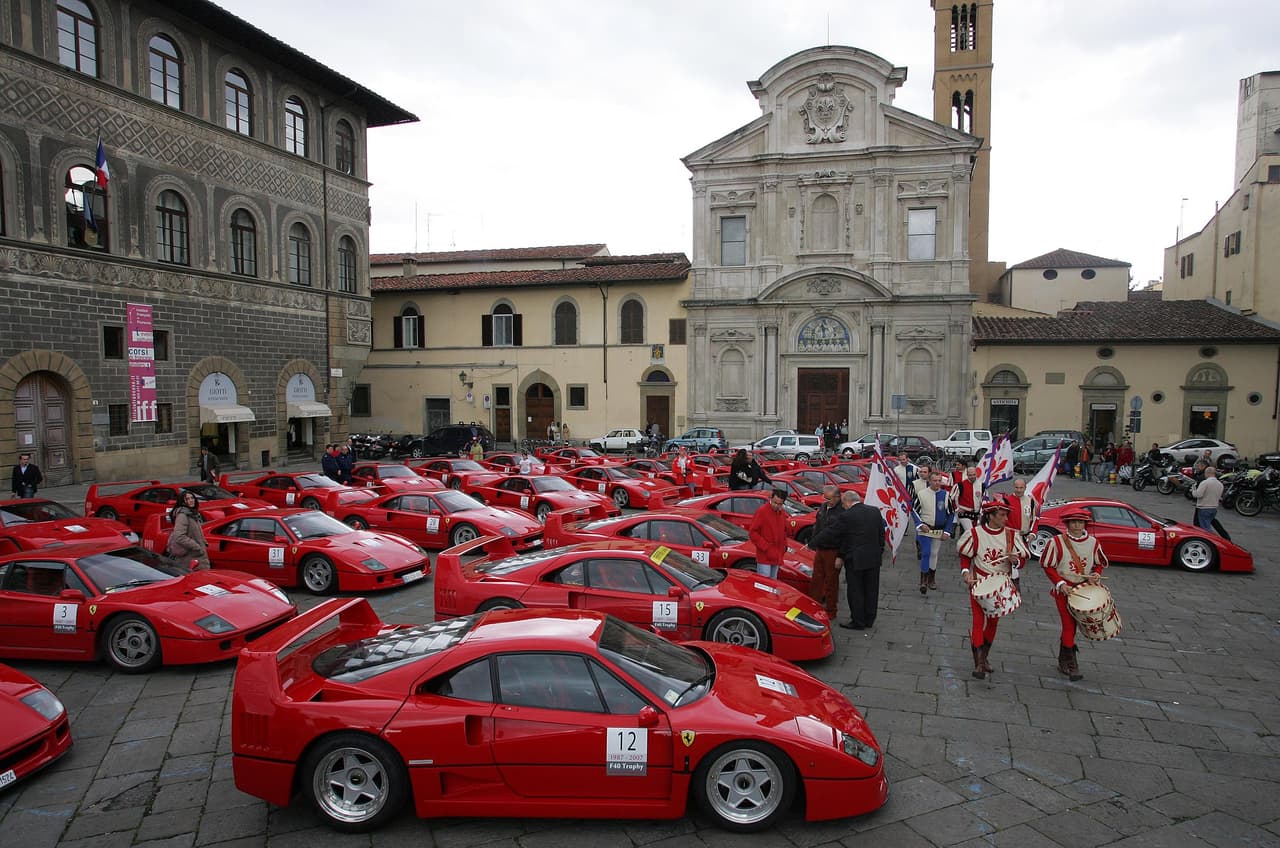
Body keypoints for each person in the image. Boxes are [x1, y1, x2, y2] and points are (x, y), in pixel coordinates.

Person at [957, 501, 1029, 679]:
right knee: (977, 621)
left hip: (1001, 585)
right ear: (990, 516)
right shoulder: (975, 533)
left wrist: (1015, 561)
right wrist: (966, 573)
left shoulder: (1012, 535)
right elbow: (965, 556)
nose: (1005, 518)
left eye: (1006, 515)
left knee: (993, 622)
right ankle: (979, 664)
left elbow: (1022, 560)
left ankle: (984, 657)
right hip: (979, 583)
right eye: (1001, 515)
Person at [1040, 508, 1108, 681]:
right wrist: (1060, 583)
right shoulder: (1057, 542)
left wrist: (1096, 574)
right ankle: (1072, 665)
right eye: (1073, 522)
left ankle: (1063, 659)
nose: (1077, 525)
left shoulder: (1093, 542)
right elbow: (1048, 566)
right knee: (1069, 625)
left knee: (1075, 626)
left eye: (1080, 522)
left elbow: (1099, 564)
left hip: (1084, 590)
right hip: (1064, 590)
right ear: (1067, 523)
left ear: (1085, 523)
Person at [812, 490, 885, 630]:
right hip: (873, 558)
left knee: (855, 590)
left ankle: (858, 620)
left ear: (846, 501)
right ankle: (869, 618)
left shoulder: (847, 515)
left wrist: (813, 542)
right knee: (871, 589)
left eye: (844, 504)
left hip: (855, 559)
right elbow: (881, 534)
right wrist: (879, 551)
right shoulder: (874, 511)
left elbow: (831, 531)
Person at [805, 484, 846, 618]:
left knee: (831, 581)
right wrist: (812, 542)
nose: (826, 501)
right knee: (816, 578)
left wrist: (840, 555)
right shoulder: (823, 507)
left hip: (833, 550)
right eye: (825, 498)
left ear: (838, 497)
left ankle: (830, 610)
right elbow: (817, 526)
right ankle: (813, 606)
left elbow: (845, 535)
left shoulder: (842, 511)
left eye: (829, 499)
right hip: (820, 548)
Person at [913, 471, 955, 594]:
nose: (937, 483)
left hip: (939, 529)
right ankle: (923, 581)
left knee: (934, 553)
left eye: (939, 480)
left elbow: (951, 513)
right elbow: (914, 511)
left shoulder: (946, 495)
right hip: (925, 529)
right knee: (926, 552)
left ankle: (931, 578)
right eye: (934, 480)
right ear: (929, 481)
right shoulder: (921, 494)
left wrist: (947, 531)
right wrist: (920, 524)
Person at [1001, 477, 1037, 588]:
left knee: (1021, 560)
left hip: (1024, 536)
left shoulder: (1030, 501)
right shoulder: (1006, 501)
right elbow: (1000, 519)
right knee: (1014, 560)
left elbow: (1035, 519)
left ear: (1025, 488)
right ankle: (1014, 586)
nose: (1019, 490)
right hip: (1010, 535)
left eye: (1021, 488)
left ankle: (1011, 583)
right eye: (1017, 487)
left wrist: (1032, 533)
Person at [747, 488, 789, 579]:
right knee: (765, 583)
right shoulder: (762, 511)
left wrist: (784, 546)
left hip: (776, 554)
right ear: (771, 499)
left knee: (773, 582)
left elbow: (784, 531)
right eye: (774, 502)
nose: (776, 506)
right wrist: (766, 547)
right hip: (765, 555)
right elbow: (753, 533)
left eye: (779, 504)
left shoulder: (781, 513)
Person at [167, 490, 210, 570]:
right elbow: (179, 536)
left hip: (196, 556)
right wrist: (196, 547)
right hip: (190, 557)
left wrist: (204, 543)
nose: (191, 500)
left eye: (192, 498)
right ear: (182, 502)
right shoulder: (183, 515)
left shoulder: (192, 514)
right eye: (187, 499)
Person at [950, 465, 983, 535]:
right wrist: (957, 509)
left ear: (976, 474)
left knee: (977, 534)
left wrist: (982, 512)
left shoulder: (982, 485)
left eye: (974, 474)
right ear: (967, 475)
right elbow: (952, 498)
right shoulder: (960, 485)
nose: (972, 477)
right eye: (970, 475)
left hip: (977, 514)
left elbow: (985, 500)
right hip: (964, 514)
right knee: (971, 533)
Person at [1192, 466, 1224, 533]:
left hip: (1204, 507)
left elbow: (1198, 495)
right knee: (1207, 524)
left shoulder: (1205, 483)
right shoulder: (1220, 484)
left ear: (1207, 473)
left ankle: (1211, 540)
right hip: (1214, 507)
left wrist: (1193, 490)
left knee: (1205, 528)